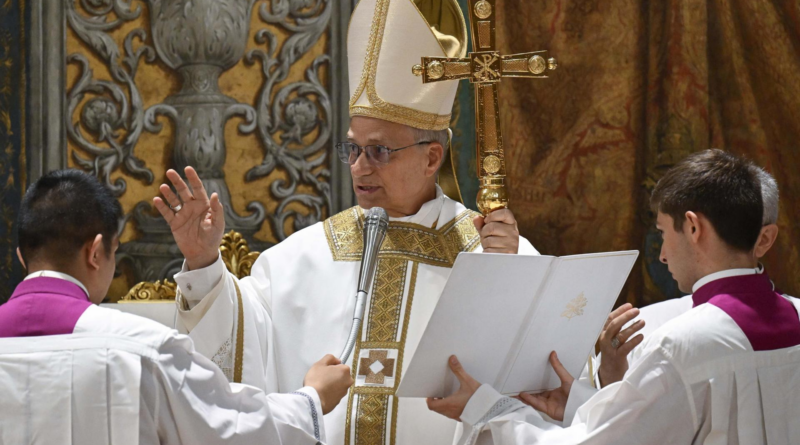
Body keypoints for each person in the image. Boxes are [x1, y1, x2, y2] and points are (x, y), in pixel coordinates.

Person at [153, 1, 538, 443]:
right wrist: (203, 262)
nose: (359, 167)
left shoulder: (493, 254)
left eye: (379, 152)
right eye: (353, 149)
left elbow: (543, 392)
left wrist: (509, 277)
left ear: (432, 158)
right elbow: (240, 353)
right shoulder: (301, 258)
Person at [427, 149, 800, 444]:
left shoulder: (682, 344)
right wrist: (579, 404)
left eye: (663, 233)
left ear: (692, 227)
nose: (663, 255)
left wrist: (487, 409)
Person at [0, 170, 353, 444]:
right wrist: (311, 400)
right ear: (95, 253)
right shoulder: (141, 350)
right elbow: (229, 429)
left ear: (21, 257)